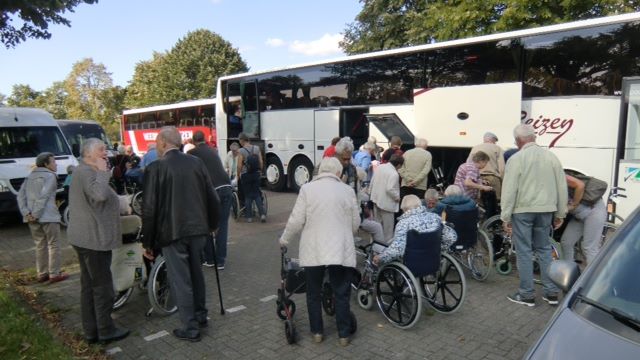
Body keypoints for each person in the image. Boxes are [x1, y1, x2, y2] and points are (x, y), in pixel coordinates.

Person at [142, 127, 220, 342]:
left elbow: (149, 209)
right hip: (198, 230)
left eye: (158, 142)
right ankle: (201, 315)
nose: (156, 146)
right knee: (197, 274)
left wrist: (147, 242)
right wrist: (213, 223)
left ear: (165, 143)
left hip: (172, 232)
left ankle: (190, 327)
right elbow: (211, 196)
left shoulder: (155, 168)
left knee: (181, 280)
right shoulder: (196, 163)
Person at [279, 157, 360, 346]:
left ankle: (317, 332)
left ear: (321, 170)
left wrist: (284, 239)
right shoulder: (347, 191)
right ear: (339, 172)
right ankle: (343, 335)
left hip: (314, 247)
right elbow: (355, 224)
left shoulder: (307, 189)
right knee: (341, 292)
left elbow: (296, 220)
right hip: (340, 248)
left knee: (313, 292)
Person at [67, 138, 129, 344]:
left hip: (85, 238)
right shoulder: (87, 172)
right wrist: (104, 172)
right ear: (89, 154)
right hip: (93, 240)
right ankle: (105, 330)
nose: (105, 152)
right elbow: (100, 195)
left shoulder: (84, 171)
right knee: (102, 287)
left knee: (89, 286)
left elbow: (101, 197)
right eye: (101, 150)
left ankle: (91, 331)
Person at [501, 124, 568, 307]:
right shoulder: (552, 157)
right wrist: (561, 213)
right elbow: (561, 187)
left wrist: (505, 216)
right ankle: (551, 292)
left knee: (524, 252)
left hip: (522, 210)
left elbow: (509, 190)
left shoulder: (516, 159)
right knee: (544, 250)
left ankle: (527, 295)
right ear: (534, 138)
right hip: (546, 209)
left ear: (518, 141)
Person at [17, 152, 68, 284]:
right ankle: (54, 274)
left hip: (31, 217)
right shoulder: (50, 176)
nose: (56, 163)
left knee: (40, 245)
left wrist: (26, 213)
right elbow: (44, 196)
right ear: (46, 164)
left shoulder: (29, 177)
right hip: (48, 216)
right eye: (53, 161)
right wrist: (36, 214)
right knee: (53, 245)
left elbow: (20, 196)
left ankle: (42, 273)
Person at [188, 130, 233, 270]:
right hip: (227, 186)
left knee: (206, 224)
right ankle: (220, 260)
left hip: (213, 190)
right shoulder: (213, 150)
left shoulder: (192, 154)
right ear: (204, 139)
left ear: (193, 141)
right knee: (223, 225)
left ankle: (209, 258)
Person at [373, 195, 456, 265]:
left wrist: (381, 258)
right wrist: (440, 249)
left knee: (377, 248)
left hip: (412, 262)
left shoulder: (403, 223)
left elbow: (397, 250)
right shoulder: (435, 217)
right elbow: (451, 237)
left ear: (404, 209)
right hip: (433, 259)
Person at [561, 173, 607, 266]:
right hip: (579, 216)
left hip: (594, 211)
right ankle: (569, 272)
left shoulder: (558, 175)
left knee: (589, 248)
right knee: (566, 242)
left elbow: (580, 185)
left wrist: (574, 204)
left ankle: (594, 278)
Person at [370, 154, 404, 243]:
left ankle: (375, 246)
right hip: (387, 204)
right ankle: (386, 249)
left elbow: (372, 181)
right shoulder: (394, 174)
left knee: (377, 226)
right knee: (388, 230)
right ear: (399, 165)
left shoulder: (380, 167)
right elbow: (390, 189)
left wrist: (370, 193)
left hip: (376, 199)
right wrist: (397, 197)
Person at [236, 132, 266, 223]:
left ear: (242, 140)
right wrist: (260, 171)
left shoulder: (241, 151)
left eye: (239, 140)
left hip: (246, 175)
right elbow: (261, 162)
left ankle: (249, 217)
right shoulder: (256, 148)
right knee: (256, 194)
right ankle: (262, 214)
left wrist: (238, 175)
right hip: (256, 174)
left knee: (248, 196)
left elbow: (239, 165)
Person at [467, 132, 505, 200]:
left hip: (478, 178)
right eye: (495, 141)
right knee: (495, 201)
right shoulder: (497, 148)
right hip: (493, 178)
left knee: (480, 201)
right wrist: (502, 181)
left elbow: (468, 164)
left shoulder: (475, 148)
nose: (495, 143)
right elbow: (502, 168)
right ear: (492, 140)